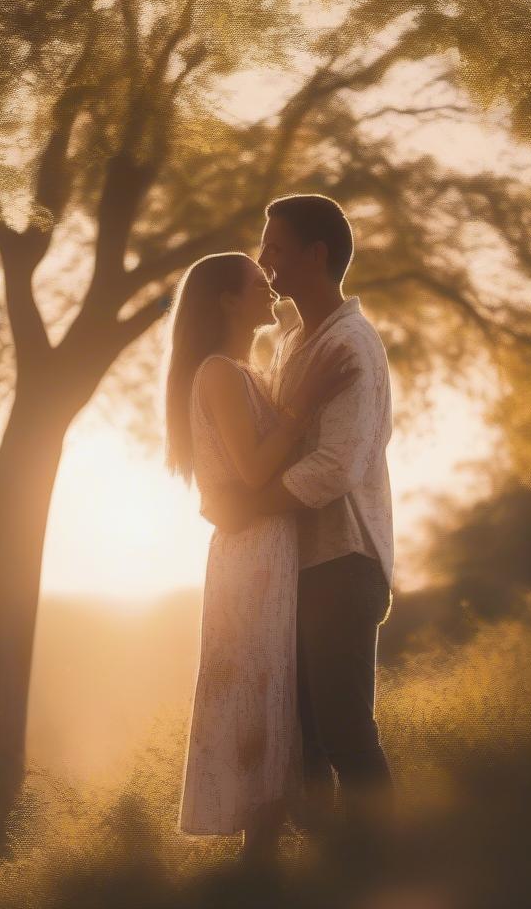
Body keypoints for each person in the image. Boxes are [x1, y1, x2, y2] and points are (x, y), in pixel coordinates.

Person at [202, 194, 396, 835]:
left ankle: (387, 868)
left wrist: (246, 506)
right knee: (303, 737)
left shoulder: (352, 346)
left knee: (344, 731)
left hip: (342, 559)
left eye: (276, 248)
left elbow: (336, 467)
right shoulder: (291, 343)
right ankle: (327, 875)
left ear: (316, 255)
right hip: (293, 564)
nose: (264, 261)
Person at [163, 251, 358, 863]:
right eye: (256, 283)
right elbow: (250, 470)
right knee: (257, 681)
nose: (270, 291)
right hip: (251, 554)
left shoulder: (245, 371)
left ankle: (267, 852)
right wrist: (306, 400)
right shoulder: (220, 372)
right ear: (226, 300)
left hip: (269, 544)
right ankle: (259, 855)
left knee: (272, 685)